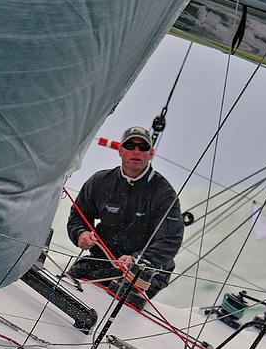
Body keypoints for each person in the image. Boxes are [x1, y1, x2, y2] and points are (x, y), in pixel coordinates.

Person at [66, 126, 184, 309]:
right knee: (68, 282)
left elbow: (171, 240)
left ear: (151, 153)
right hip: (104, 259)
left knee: (112, 297)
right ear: (120, 150)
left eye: (143, 147)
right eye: (130, 145)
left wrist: (137, 259)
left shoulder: (164, 193)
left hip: (145, 271)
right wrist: (80, 234)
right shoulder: (101, 181)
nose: (136, 151)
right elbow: (78, 217)